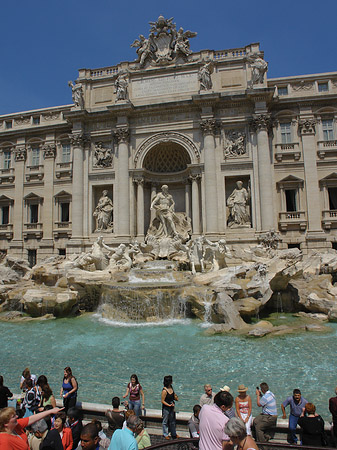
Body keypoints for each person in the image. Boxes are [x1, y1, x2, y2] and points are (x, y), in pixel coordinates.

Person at [161, 375, 178, 440]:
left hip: (171, 407)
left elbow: (173, 396)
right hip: (166, 408)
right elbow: (162, 401)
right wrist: (169, 405)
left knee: (172, 421)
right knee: (165, 421)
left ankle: (174, 433)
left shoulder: (171, 387)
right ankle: (165, 433)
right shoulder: (164, 391)